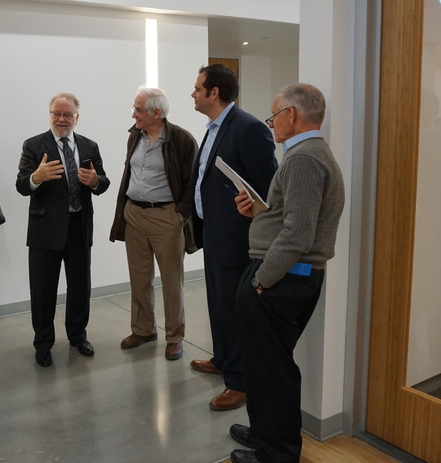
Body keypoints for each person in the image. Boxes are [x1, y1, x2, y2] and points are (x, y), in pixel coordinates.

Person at [228, 84, 345, 463]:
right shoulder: (308, 155)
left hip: (281, 277)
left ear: (291, 115)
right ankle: (266, 433)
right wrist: (259, 212)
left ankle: (276, 453)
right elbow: (292, 220)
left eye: (274, 116)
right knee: (266, 363)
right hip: (288, 274)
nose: (272, 124)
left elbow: (298, 234)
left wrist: (261, 280)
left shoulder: (304, 159)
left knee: (271, 369)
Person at [189, 64, 277, 411]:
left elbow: (267, 190)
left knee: (235, 309)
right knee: (217, 302)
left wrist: (249, 205)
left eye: (198, 89)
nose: (193, 94)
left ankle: (240, 382)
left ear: (214, 93)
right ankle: (223, 359)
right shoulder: (213, 128)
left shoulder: (249, 128)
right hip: (212, 230)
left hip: (236, 237)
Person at [16, 93, 110, 368]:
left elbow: (103, 182)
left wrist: (95, 180)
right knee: (43, 290)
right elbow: (21, 185)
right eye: (56, 113)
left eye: (67, 114)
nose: (61, 119)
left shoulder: (89, 146)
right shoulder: (34, 145)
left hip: (79, 227)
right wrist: (37, 177)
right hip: (45, 230)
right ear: (50, 115)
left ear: (76, 118)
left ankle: (78, 336)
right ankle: (43, 343)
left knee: (80, 287)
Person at [109, 86, 198, 361]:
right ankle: (143, 330)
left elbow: (193, 183)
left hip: (166, 218)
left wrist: (179, 215)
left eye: (138, 110)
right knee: (139, 278)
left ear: (157, 112)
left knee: (171, 280)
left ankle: (175, 337)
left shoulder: (181, 140)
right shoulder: (135, 135)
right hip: (134, 215)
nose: (133, 114)